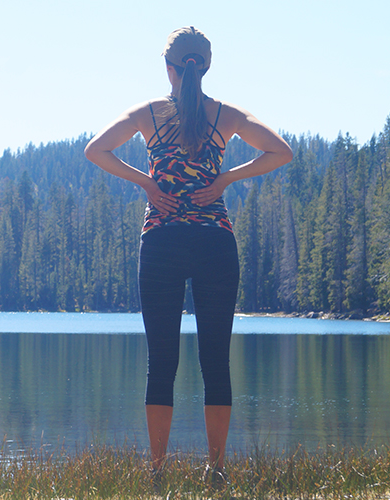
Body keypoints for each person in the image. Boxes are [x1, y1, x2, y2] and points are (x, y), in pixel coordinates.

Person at [84, 27, 292, 489]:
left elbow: (95, 150)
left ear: (169, 68)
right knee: (215, 361)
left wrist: (147, 183)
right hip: (215, 241)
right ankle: (215, 471)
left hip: (160, 241)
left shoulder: (148, 114)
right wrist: (226, 179)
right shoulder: (226, 115)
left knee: (161, 362)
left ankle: (157, 472)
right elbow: (282, 151)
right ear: (207, 66)